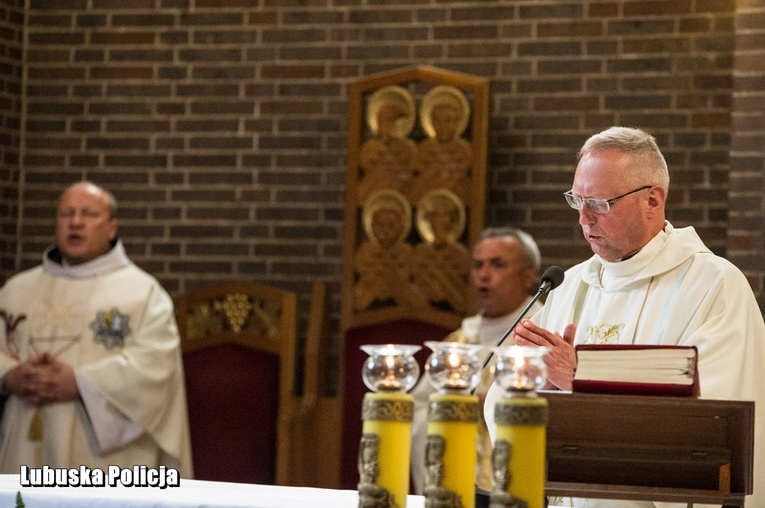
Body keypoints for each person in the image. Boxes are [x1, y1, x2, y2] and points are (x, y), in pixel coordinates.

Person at [484, 127, 765, 507]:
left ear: (652, 200)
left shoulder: (714, 286)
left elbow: (710, 427)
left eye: (599, 203)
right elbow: (504, 404)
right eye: (576, 200)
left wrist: (579, 379)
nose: (584, 219)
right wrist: (535, 384)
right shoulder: (567, 288)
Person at [0, 181, 193, 476]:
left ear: (112, 228)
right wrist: (9, 376)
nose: (75, 222)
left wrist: (80, 383)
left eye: (89, 214)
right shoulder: (17, 290)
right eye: (66, 214)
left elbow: (155, 369)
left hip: (103, 461)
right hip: (22, 447)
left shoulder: (142, 294)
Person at [410, 227, 543, 494]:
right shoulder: (459, 340)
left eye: (497, 264)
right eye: (478, 265)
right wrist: (452, 408)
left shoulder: (544, 335)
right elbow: (418, 408)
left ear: (529, 276)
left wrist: (494, 407)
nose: (483, 274)